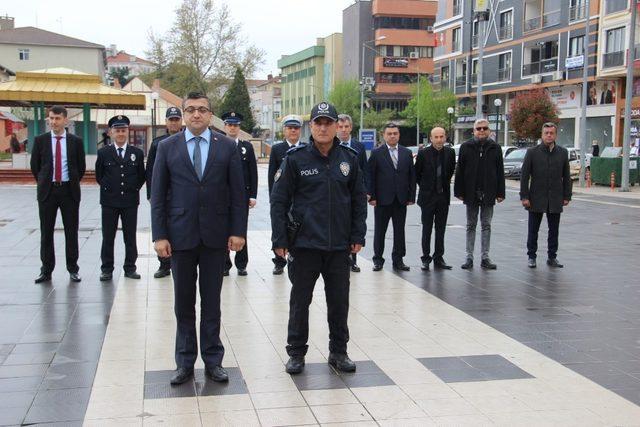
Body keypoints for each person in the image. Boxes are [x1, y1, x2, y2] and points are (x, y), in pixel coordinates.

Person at [151, 92, 246, 385]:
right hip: (180, 237)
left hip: (215, 237)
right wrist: (160, 235)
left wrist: (237, 231)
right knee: (183, 303)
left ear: (210, 114)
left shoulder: (227, 147)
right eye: (190, 109)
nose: (196, 115)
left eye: (202, 110)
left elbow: (238, 193)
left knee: (212, 302)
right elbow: (158, 195)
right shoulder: (167, 147)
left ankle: (214, 360)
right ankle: (184, 362)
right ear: (183, 113)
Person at [271, 102, 367, 375]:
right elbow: (279, 200)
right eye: (318, 123)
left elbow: (359, 200)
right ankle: (296, 353)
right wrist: (279, 240)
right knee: (300, 302)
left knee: (339, 302)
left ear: (337, 126)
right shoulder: (296, 158)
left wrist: (357, 235)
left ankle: (339, 351)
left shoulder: (349, 158)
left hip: (338, 246)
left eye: (328, 122)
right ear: (310, 127)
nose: (323, 127)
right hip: (304, 245)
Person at [30, 106, 86, 284]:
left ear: (65, 120)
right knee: (46, 232)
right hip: (48, 192)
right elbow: (35, 166)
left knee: (71, 231)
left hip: (69, 191)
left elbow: (81, 167)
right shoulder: (40, 140)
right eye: (51, 118)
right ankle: (46, 270)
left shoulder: (75, 141)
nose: (54, 122)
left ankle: (73, 269)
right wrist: (45, 182)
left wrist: (71, 181)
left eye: (57, 118)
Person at [95, 115, 146, 281]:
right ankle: (107, 269)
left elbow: (141, 176)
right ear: (111, 132)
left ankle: (130, 267)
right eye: (117, 130)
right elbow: (99, 176)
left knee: (130, 237)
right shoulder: (104, 153)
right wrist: (110, 189)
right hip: (109, 202)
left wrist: (132, 189)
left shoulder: (136, 153)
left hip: (130, 202)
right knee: (108, 237)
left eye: (123, 130)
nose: (121, 133)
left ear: (128, 131)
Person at [454, 118, 505, 270]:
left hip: (489, 192)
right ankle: (469, 257)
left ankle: (485, 257)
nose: (482, 131)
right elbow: (460, 171)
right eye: (479, 128)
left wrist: (500, 192)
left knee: (486, 225)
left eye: (484, 128)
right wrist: (459, 191)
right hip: (471, 193)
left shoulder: (495, 148)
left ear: (489, 131)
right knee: (471, 225)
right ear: (474, 131)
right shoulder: (466, 147)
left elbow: (500, 172)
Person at [520, 122, 572, 268]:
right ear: (542, 135)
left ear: (555, 135)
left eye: (551, 133)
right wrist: (524, 196)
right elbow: (524, 176)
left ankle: (552, 257)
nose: (549, 135)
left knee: (554, 230)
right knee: (533, 229)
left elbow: (566, 176)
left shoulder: (562, 152)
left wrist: (567, 195)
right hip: (536, 197)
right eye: (546, 133)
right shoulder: (532, 152)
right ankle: (531, 256)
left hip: (555, 197)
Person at [367, 123, 416, 272]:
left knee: (399, 231)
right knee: (380, 231)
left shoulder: (406, 152)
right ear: (384, 135)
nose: (392, 136)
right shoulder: (376, 153)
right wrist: (372, 196)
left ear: (399, 135)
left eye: (395, 133)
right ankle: (378, 260)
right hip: (382, 199)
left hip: (401, 199)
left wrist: (411, 196)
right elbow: (371, 176)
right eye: (389, 133)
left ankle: (398, 260)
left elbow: (411, 176)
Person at [146, 106, 183, 278]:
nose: (174, 123)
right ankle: (164, 264)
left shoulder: (187, 140)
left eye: (177, 119)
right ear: (166, 122)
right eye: (171, 120)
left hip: (182, 193)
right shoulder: (158, 143)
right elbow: (151, 172)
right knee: (163, 229)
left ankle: (181, 261)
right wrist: (151, 194)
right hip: (164, 194)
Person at [221, 111, 258, 277]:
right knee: (222, 229)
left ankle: (242, 264)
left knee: (241, 229)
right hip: (222, 196)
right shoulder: (218, 145)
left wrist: (253, 195)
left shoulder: (246, 147)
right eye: (229, 125)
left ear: (239, 127)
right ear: (224, 126)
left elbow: (253, 172)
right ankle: (224, 264)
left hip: (242, 197)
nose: (232, 128)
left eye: (235, 125)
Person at [415, 127, 456, 271]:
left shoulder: (450, 153)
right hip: (427, 198)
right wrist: (427, 188)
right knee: (427, 229)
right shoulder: (423, 154)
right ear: (431, 138)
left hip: (443, 197)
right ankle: (426, 258)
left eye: (442, 136)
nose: (439, 140)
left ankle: (439, 257)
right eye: (436, 137)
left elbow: (450, 171)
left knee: (441, 229)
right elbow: (417, 174)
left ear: (445, 138)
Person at [267, 114, 304, 275]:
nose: (293, 131)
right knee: (280, 228)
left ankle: (299, 256)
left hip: (300, 198)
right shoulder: (277, 149)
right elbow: (272, 177)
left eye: (296, 128)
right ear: (284, 130)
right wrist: (272, 199)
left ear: (300, 130)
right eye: (290, 128)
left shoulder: (306, 148)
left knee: (299, 228)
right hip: (282, 198)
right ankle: (279, 261)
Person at [337, 113, 368, 273]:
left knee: (353, 225)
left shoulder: (359, 147)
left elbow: (364, 170)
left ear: (351, 128)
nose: (343, 130)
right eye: (340, 127)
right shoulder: (333, 146)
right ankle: (341, 258)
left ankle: (353, 260)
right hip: (339, 194)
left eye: (346, 127)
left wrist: (366, 191)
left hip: (354, 193)